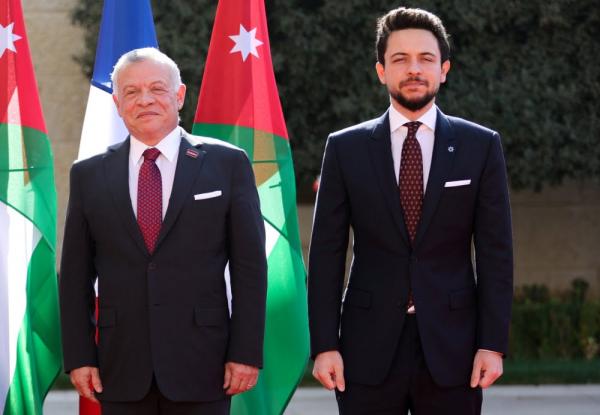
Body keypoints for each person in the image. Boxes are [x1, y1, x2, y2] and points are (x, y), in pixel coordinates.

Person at [308, 7, 513, 415]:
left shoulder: (480, 146)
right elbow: (327, 253)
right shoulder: (345, 148)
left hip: (454, 347)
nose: (414, 69)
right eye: (400, 59)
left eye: (426, 59)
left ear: (444, 70)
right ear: (381, 71)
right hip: (366, 348)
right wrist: (325, 345)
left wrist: (492, 344)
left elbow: (496, 252)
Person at [59, 47, 267, 415]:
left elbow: (250, 268)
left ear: (179, 95)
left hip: (204, 362)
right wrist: (79, 356)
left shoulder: (227, 164)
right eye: (132, 91)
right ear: (117, 102)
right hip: (119, 366)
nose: (145, 100)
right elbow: (76, 275)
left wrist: (245, 352)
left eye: (157, 88)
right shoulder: (88, 174)